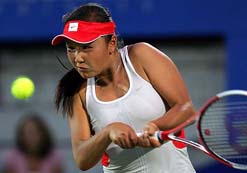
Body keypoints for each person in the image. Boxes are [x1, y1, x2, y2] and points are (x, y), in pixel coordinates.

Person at [52, 2, 196, 173]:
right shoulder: (77, 92)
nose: (78, 58)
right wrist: (107, 133)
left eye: (86, 47)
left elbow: (186, 109)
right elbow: (82, 159)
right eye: (71, 49)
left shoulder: (142, 56)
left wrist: (157, 126)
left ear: (111, 42)